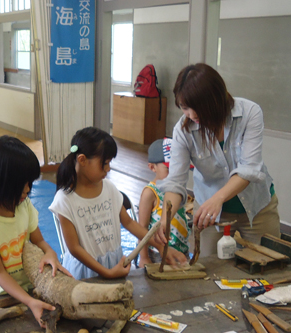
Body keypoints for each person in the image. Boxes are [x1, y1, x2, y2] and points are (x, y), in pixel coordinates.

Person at [156, 63, 280, 256]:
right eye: (185, 107)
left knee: (268, 263)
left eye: (199, 108)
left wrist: (218, 199)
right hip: (209, 215)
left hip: (257, 207)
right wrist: (166, 216)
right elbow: (175, 181)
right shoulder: (183, 130)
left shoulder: (249, 113)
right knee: (210, 270)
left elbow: (249, 168)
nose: (193, 115)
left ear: (217, 99)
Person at [49, 127, 187, 280]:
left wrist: (160, 246)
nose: (108, 169)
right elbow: (74, 248)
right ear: (82, 160)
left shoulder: (108, 188)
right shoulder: (64, 200)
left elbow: (129, 222)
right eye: (105, 163)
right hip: (85, 272)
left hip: (114, 264)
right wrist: (106, 272)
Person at [0, 135, 71, 328]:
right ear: (3, 183)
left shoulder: (23, 206)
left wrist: (50, 253)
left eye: (30, 183)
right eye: (23, 184)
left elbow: (39, 241)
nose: (28, 190)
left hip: (32, 288)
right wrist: (29, 301)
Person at [137, 138, 190, 268]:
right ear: (152, 167)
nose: (174, 173)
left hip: (182, 250)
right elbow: (141, 227)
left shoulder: (179, 189)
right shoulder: (150, 192)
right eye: (168, 168)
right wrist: (144, 257)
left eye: (177, 168)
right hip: (158, 253)